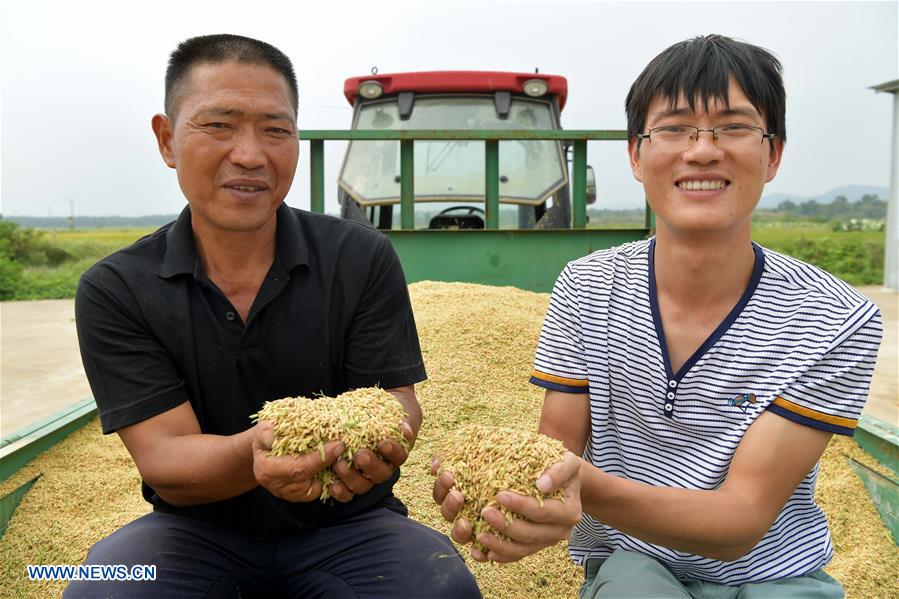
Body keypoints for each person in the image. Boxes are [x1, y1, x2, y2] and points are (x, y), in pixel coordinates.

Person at [433, 34, 882, 598]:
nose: (701, 151)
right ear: (635, 155)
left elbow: (742, 518)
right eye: (674, 128)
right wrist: (518, 499)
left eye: (733, 127)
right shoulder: (586, 288)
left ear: (773, 154)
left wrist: (574, 488)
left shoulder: (836, 318)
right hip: (633, 562)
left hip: (774, 573)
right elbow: (556, 452)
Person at [70, 34, 480, 599]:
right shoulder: (117, 288)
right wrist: (263, 452)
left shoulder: (359, 257)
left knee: (440, 589)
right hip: (192, 531)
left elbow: (395, 398)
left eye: (276, 129)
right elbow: (165, 458)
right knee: (99, 587)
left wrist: (383, 438)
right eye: (219, 125)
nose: (250, 153)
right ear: (167, 140)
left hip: (348, 524)